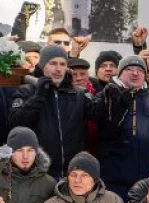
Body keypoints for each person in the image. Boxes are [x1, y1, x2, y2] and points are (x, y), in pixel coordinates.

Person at [9, 45, 101, 177]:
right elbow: (16, 123)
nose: (58, 69)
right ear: (42, 66)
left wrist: (111, 100)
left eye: (62, 64)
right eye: (53, 63)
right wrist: (39, 96)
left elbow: (99, 115)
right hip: (39, 173)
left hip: (72, 173)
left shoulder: (78, 94)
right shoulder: (26, 91)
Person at [98, 55, 149, 201]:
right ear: (120, 73)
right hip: (113, 183)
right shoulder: (106, 96)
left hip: (147, 182)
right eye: (129, 69)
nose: (135, 73)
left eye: (140, 70)